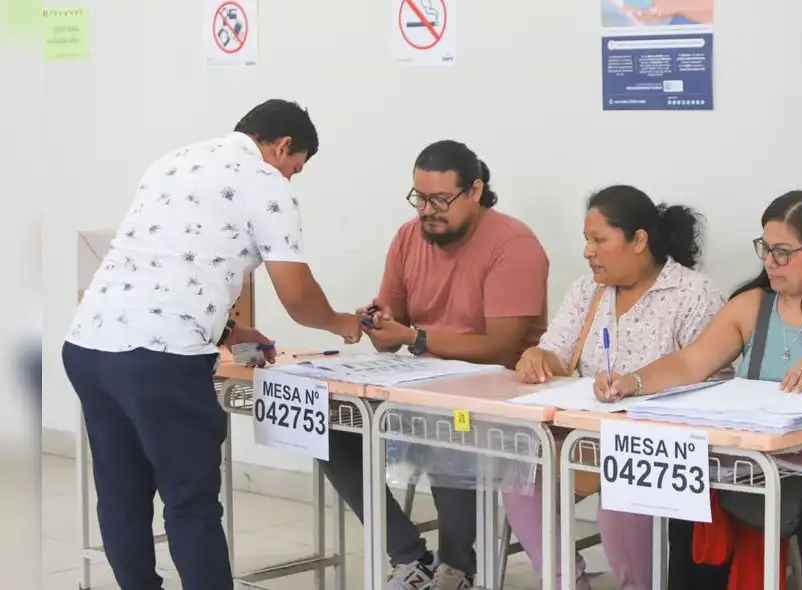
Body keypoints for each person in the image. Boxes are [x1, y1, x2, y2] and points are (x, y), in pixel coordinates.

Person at [62, 99, 362, 590]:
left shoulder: (172, 161)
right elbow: (298, 296)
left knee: (121, 493)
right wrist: (341, 323)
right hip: (161, 363)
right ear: (283, 146)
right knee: (191, 502)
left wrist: (227, 333)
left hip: (89, 345)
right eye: (295, 167)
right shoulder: (266, 185)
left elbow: (160, 265)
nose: (291, 177)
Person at [594, 190, 802, 590]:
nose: (769, 262)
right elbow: (692, 362)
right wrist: (634, 382)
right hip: (759, 460)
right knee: (689, 505)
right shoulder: (752, 306)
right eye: (765, 249)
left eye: (783, 252)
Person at [320, 140, 550, 590]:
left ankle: (457, 569)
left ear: (476, 190)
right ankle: (408, 557)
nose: (427, 211)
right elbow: (394, 326)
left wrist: (415, 338)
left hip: (497, 391)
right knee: (327, 426)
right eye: (420, 199)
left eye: (440, 200)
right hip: (421, 384)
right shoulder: (409, 236)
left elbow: (503, 346)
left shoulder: (513, 243)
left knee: (450, 427)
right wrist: (379, 324)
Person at [511, 185, 725, 590]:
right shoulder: (587, 290)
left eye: (599, 240)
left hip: (657, 449)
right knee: (520, 479)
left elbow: (712, 380)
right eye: (586, 241)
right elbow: (555, 352)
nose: (588, 252)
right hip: (583, 439)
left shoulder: (692, 293)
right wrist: (538, 359)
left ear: (639, 240)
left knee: (621, 498)